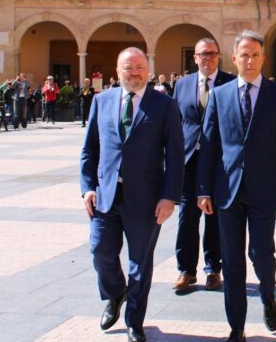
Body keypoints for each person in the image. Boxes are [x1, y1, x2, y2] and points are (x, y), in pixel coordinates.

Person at [197, 30, 276, 342]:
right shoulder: (220, 95)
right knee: (231, 260)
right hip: (226, 192)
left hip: (265, 189)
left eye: (256, 54)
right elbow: (208, 145)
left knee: (260, 252)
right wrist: (203, 189)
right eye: (244, 54)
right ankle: (237, 327)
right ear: (234, 59)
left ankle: (268, 295)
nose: (250, 60)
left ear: (263, 58)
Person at [80, 47, 184, 342]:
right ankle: (115, 293)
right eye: (129, 68)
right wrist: (87, 187)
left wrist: (169, 197)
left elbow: (175, 155)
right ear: (118, 71)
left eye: (139, 67)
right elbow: (89, 150)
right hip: (106, 195)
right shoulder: (101, 101)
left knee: (140, 263)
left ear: (148, 70)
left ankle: (134, 322)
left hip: (147, 198)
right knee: (100, 251)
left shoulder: (164, 105)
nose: (135, 73)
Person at [171, 38, 235, 293]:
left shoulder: (230, 83)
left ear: (218, 56)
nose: (207, 58)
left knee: (215, 217)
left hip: (219, 163)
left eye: (211, 54)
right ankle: (186, 270)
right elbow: (175, 123)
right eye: (202, 54)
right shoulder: (182, 85)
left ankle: (213, 269)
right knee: (187, 217)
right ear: (194, 58)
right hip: (189, 162)